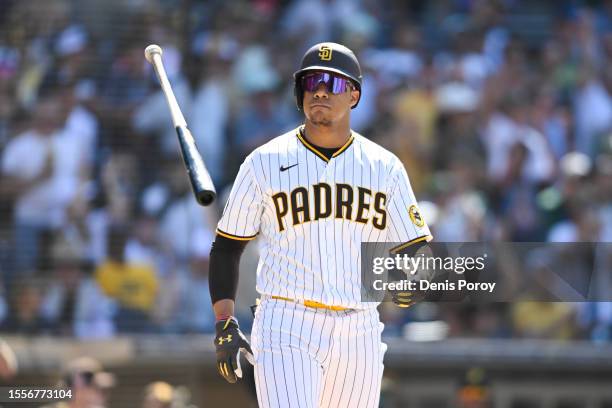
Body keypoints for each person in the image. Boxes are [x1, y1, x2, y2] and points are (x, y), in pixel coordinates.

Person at [208, 42, 432, 408]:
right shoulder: (264, 162)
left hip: (359, 325)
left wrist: (413, 280)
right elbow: (227, 246)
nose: (321, 91)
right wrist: (224, 320)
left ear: (355, 95)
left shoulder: (384, 167)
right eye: (311, 83)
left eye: (333, 83)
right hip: (286, 320)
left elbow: (415, 250)